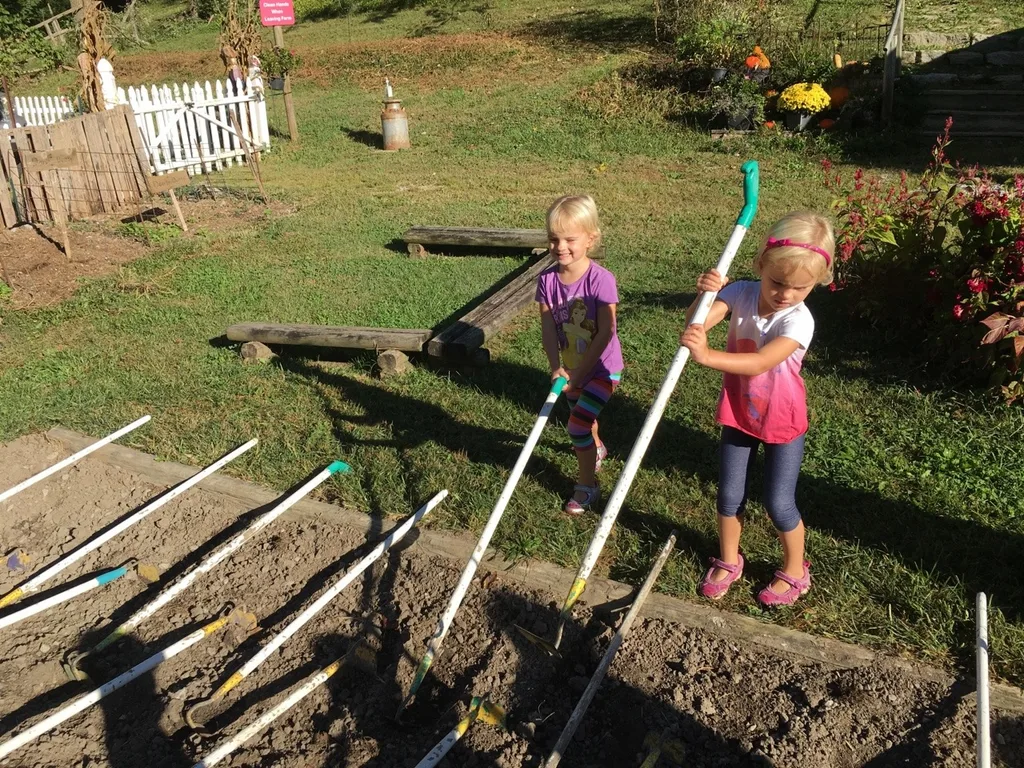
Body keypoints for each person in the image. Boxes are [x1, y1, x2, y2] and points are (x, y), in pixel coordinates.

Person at [679, 211, 835, 607]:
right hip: (740, 412)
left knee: (778, 502)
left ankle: (797, 569)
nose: (785, 294)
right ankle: (730, 560)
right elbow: (697, 325)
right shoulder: (743, 292)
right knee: (729, 495)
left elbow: (762, 361)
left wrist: (708, 357)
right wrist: (708, 294)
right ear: (760, 265)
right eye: (778, 282)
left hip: (782, 421)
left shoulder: (799, 321)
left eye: (801, 288)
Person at [536, 195, 624, 515]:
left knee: (576, 426)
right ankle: (597, 448)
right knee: (586, 421)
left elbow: (605, 332)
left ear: (591, 238)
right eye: (554, 239)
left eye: (570, 239)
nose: (561, 247)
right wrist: (556, 367)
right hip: (571, 369)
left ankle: (587, 486)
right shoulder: (546, 281)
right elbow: (547, 328)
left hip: (602, 369)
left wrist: (580, 373)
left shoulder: (601, 280)